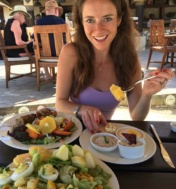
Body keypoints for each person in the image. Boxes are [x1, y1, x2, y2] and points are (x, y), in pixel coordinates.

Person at [55, 0, 175, 133]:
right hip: (72, 134)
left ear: (118, 19)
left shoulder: (129, 59)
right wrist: (81, 109)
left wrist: (147, 95)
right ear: (81, 22)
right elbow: (60, 102)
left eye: (107, 19)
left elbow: (137, 116)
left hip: (105, 139)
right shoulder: (71, 53)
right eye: (90, 20)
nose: (98, 29)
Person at [36, 0, 65, 80]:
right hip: (61, 54)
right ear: (56, 10)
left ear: (46, 11)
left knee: (39, 48)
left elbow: (36, 39)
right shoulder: (61, 21)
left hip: (45, 54)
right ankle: (60, 74)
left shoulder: (39, 22)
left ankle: (47, 74)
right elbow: (65, 39)